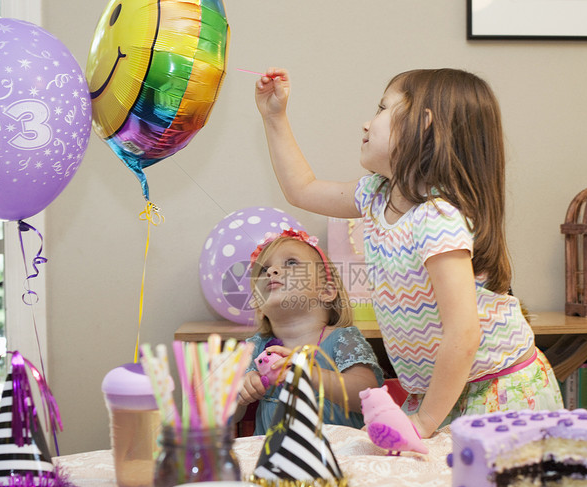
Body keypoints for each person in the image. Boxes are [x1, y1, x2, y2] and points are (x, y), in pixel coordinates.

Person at [254, 67, 563, 438]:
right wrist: (275, 117)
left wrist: (424, 422)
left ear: (424, 124)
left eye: (382, 109)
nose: (366, 123)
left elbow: (463, 333)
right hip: (437, 393)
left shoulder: (437, 217)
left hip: (495, 393)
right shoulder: (374, 195)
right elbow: (301, 189)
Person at [235, 228, 385, 435]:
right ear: (259, 305)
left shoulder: (342, 339)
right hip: (275, 463)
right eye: (263, 269)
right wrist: (239, 392)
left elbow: (369, 396)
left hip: (338, 460)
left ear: (326, 291)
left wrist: (310, 373)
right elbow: (221, 415)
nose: (271, 271)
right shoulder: (253, 348)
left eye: (291, 263)